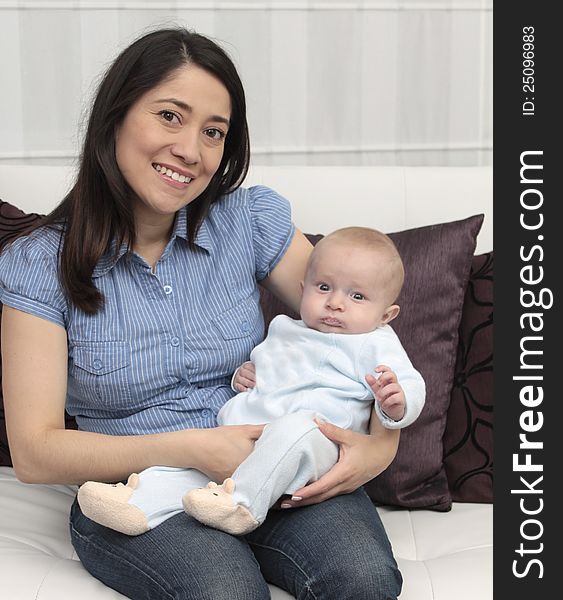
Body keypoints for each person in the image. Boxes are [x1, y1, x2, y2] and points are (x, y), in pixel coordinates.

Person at [0, 27, 403, 600]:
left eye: (213, 132)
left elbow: (359, 332)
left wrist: (382, 444)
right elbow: (36, 453)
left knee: (363, 579)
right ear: (116, 116)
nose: (191, 150)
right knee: (226, 592)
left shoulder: (249, 221)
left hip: (271, 469)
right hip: (139, 491)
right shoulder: (39, 264)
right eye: (170, 116)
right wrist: (189, 447)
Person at [77, 226, 425, 537]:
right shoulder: (286, 328)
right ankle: (137, 503)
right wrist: (244, 375)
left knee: (297, 429)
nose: (335, 303)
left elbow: (409, 384)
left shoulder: (376, 342)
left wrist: (397, 403)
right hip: (252, 434)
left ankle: (241, 506)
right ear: (303, 289)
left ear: (386, 314)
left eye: (357, 297)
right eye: (324, 287)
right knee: (198, 470)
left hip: (317, 442)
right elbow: (264, 368)